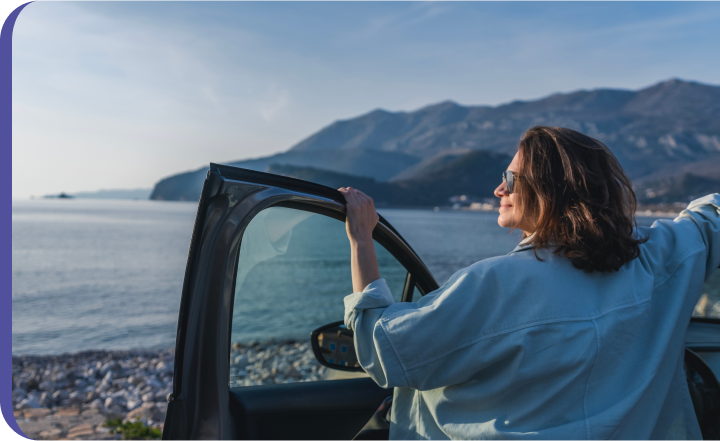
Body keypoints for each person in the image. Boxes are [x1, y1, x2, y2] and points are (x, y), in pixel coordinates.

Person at [337, 126, 720, 440]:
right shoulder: (661, 258)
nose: (498, 190)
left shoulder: (495, 285)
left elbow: (383, 349)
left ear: (551, 189)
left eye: (510, 179)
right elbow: (710, 215)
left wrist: (362, 240)